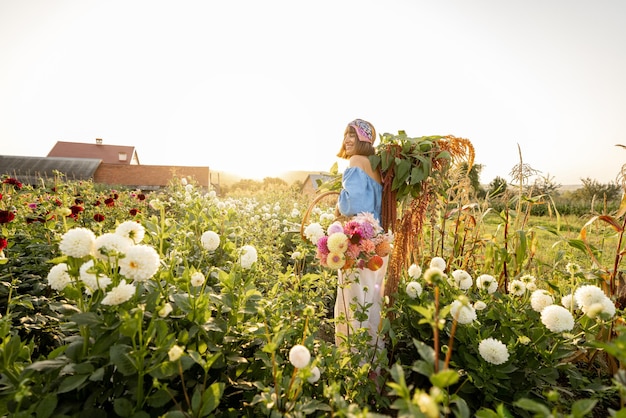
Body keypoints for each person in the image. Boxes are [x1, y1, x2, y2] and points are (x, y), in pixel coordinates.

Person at [334, 118, 388, 357]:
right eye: (346, 135)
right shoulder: (375, 166)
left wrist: (339, 202)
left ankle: (353, 359)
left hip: (359, 236)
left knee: (353, 297)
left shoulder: (356, 161)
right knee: (371, 298)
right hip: (377, 237)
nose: (347, 140)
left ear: (363, 141)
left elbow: (351, 204)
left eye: (353, 136)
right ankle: (374, 358)